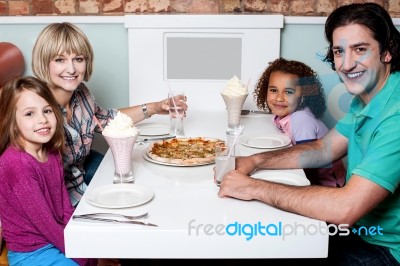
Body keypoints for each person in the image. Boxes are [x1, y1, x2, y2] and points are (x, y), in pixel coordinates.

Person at [218, 3, 400, 265]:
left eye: (360, 49)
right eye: (339, 51)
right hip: (359, 231)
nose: (346, 65)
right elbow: (324, 149)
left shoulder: (395, 116)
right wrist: (255, 161)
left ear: (388, 51)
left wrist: (252, 187)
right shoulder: (371, 96)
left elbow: (345, 208)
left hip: (383, 250)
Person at [32, 22, 188, 206]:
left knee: (145, 179)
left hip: (80, 175)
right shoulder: (36, 108)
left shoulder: (81, 93)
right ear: (44, 62)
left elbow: (106, 119)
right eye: (60, 60)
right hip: (58, 194)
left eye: (78, 59)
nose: (72, 69)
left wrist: (154, 107)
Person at [0, 76, 89, 266]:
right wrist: (79, 255)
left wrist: (79, 245)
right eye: (29, 114)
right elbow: (45, 223)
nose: (42, 120)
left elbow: (65, 206)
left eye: (47, 110)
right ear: (12, 121)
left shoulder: (52, 151)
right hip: (31, 254)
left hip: (55, 239)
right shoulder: (17, 163)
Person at [254, 57, 345, 187]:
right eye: (274, 90)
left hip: (327, 184)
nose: (279, 98)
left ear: (303, 95)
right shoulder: (282, 116)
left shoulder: (301, 118)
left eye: (289, 92)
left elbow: (307, 162)